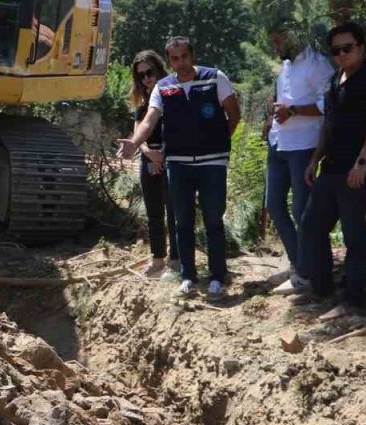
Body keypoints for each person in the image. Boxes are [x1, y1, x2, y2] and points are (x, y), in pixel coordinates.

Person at [117, 36, 241, 297]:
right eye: (175, 58)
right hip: (179, 165)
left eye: (184, 56)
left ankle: (218, 276)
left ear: (192, 55)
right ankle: (188, 276)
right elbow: (149, 120)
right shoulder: (164, 87)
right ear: (169, 61)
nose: (180, 62)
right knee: (181, 221)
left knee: (213, 219)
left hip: (212, 164)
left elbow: (234, 113)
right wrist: (134, 143)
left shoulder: (214, 77)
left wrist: (218, 142)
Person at [295, 21, 366, 321]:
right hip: (331, 167)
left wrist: (362, 163)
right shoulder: (337, 79)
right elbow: (329, 124)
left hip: (356, 169)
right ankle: (322, 290)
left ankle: (352, 300)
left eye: (347, 48)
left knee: (353, 236)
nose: (341, 54)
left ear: (361, 47)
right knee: (312, 226)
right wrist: (315, 159)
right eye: (335, 50)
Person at [264, 27, 333, 294]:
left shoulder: (317, 64)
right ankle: (299, 265)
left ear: (296, 35)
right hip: (279, 143)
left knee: (301, 212)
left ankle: (305, 274)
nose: (276, 45)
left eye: (279, 39)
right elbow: (284, 102)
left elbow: (327, 105)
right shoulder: (286, 66)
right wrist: (272, 119)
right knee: (274, 205)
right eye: (273, 41)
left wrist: (292, 111)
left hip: (304, 146)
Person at [128, 50, 178, 277]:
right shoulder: (143, 104)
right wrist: (149, 154)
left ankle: (176, 260)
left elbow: (178, 130)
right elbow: (137, 134)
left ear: (159, 69)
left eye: (150, 72)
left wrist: (163, 155)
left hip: (171, 159)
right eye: (141, 75)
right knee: (154, 213)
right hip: (148, 161)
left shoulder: (172, 97)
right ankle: (158, 259)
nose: (147, 78)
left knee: (174, 212)